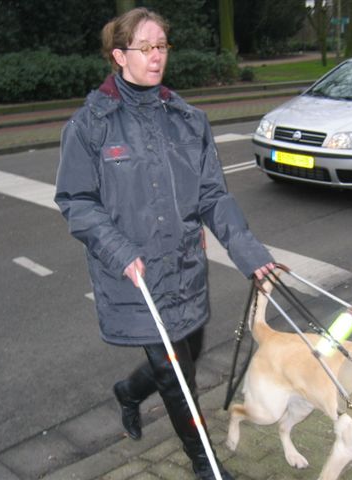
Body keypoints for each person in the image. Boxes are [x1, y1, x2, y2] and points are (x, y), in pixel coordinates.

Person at [54, 7, 274, 479]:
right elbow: (76, 200)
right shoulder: (92, 125)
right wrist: (118, 250)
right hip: (134, 278)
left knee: (184, 352)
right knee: (177, 374)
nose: (157, 57)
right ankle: (206, 465)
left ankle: (129, 392)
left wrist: (251, 254)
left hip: (185, 270)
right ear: (119, 56)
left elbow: (214, 196)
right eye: (145, 48)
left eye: (162, 47)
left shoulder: (189, 120)